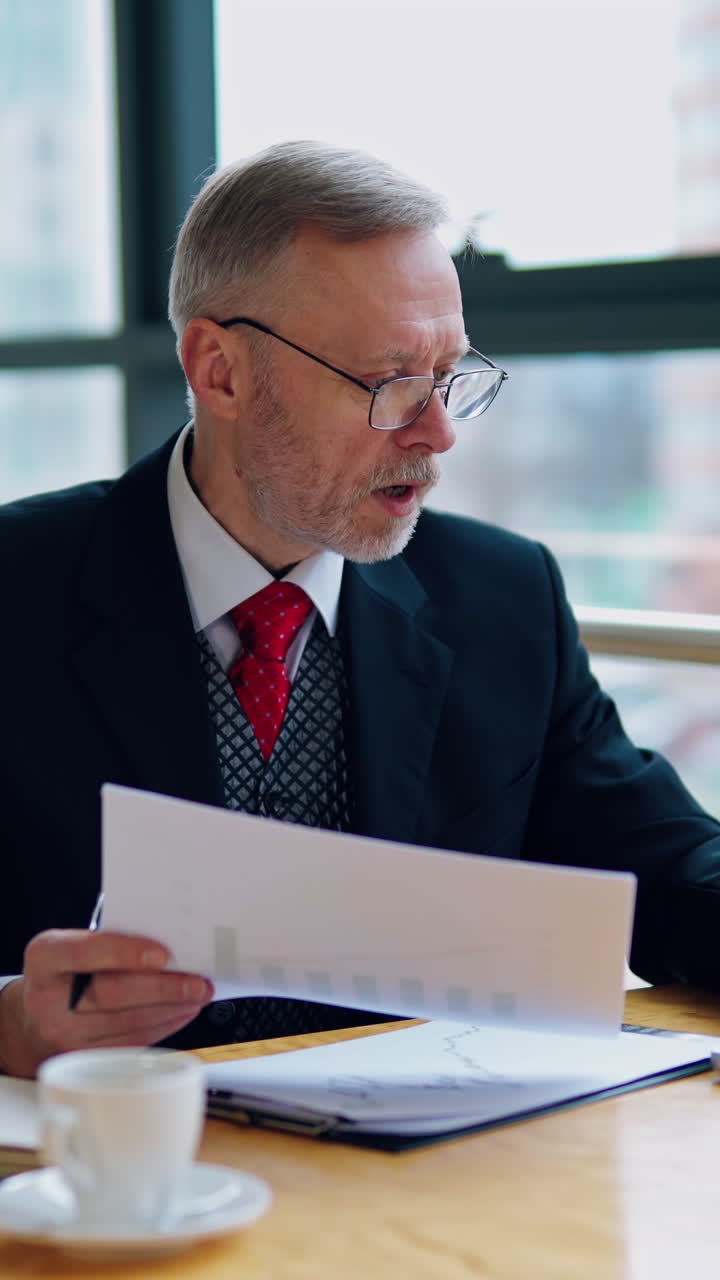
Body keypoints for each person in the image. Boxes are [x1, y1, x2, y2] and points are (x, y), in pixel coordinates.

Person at [1, 141, 720, 1080]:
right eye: (390, 383)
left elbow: (669, 872)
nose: (439, 431)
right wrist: (7, 1024)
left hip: (428, 1157)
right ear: (220, 371)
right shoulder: (17, 590)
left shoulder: (502, 601)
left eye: (450, 375)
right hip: (111, 1157)